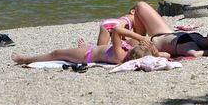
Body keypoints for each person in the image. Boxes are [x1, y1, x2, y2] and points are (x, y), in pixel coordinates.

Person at [11, 26, 158, 66]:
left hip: (88, 56)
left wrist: (140, 37)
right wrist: (153, 50)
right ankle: (87, 45)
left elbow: (116, 30)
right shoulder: (130, 54)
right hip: (96, 49)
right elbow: (166, 55)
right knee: (95, 40)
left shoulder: (119, 55)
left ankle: (26, 59)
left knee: (57, 53)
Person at [132, 1, 208, 58]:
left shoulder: (191, 46)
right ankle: (139, 35)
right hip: (166, 33)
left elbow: (194, 54)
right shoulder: (202, 39)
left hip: (152, 42)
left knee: (125, 39)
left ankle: (138, 40)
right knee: (140, 6)